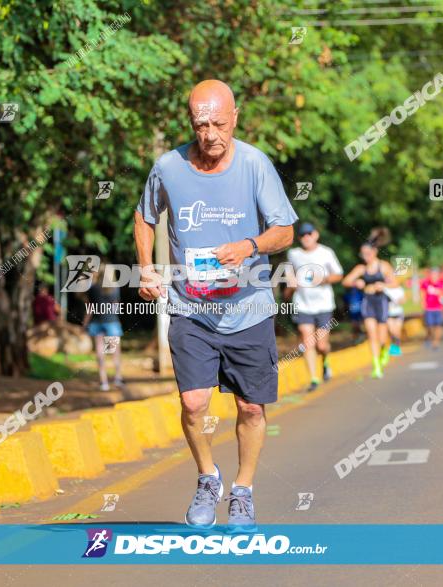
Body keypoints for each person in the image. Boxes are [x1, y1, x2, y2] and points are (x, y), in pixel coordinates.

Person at [134, 79, 297, 531]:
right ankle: (209, 476)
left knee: (250, 408)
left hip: (248, 309)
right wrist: (146, 268)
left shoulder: (254, 165)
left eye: (219, 124)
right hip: (191, 308)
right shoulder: (168, 167)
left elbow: (284, 231)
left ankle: (242, 490)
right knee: (193, 402)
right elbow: (144, 216)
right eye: (200, 124)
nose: (210, 135)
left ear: (235, 117)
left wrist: (248, 246)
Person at [284, 222, 343, 392]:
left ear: (316, 235)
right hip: (302, 304)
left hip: (324, 304)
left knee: (322, 345)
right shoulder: (293, 254)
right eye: (302, 235)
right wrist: (291, 285)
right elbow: (289, 275)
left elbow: (338, 274)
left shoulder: (326, 252)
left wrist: (322, 279)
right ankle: (314, 378)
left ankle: (325, 361)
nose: (306, 237)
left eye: (309, 234)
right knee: (307, 340)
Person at [341, 228, 396, 379]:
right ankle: (376, 366)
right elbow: (345, 281)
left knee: (382, 337)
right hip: (368, 301)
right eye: (363, 254)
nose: (365, 257)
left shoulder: (383, 266)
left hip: (381, 301)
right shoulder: (361, 268)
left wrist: (383, 286)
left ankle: (385, 350)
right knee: (372, 335)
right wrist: (356, 283)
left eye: (368, 253)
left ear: (375, 252)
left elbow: (395, 283)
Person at [82, 266, 124, 391]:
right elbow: (116, 306)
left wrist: (85, 323)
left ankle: (103, 381)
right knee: (114, 352)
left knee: (100, 352)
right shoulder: (115, 288)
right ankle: (117, 378)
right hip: (111, 322)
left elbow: (89, 309)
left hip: (96, 322)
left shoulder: (93, 288)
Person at [420, 267, 443, 350]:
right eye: (432, 274)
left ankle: (436, 343)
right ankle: (429, 337)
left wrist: (439, 292)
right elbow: (422, 294)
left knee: (438, 325)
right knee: (430, 326)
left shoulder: (441, 283)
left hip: (438, 308)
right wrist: (423, 303)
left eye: (435, 274)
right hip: (429, 308)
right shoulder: (425, 283)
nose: (434, 276)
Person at [384, 281, 405, 356]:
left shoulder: (399, 289)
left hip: (398, 313)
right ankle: (394, 346)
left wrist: (398, 302)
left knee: (397, 331)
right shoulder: (385, 289)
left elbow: (403, 300)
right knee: (392, 331)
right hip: (389, 314)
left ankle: (396, 347)